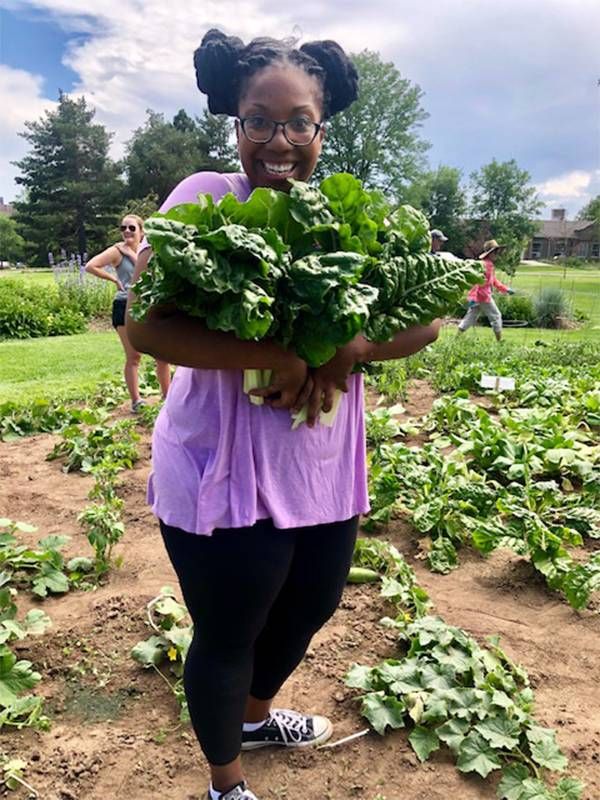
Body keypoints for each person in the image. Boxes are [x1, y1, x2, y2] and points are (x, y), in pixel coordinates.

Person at [126, 29, 441, 800]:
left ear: (320, 130)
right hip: (223, 466)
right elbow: (146, 324)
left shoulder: (347, 212)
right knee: (230, 629)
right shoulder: (205, 198)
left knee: (309, 607)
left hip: (319, 464)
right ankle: (224, 784)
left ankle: (257, 718)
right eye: (258, 122)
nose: (278, 140)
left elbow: (427, 315)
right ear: (235, 125)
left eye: (297, 122)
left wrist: (350, 348)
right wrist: (288, 356)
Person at [85, 215, 170, 410]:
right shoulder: (116, 251)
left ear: (141, 231)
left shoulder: (150, 248)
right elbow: (91, 266)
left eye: (132, 228)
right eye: (123, 228)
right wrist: (114, 280)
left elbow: (152, 269)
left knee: (162, 355)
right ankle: (136, 401)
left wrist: (132, 255)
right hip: (124, 305)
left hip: (149, 305)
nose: (127, 232)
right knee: (134, 356)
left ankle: (167, 398)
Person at [457, 238, 514, 341]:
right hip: (483, 297)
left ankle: (456, 338)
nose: (497, 255)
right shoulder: (485, 265)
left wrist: (505, 289)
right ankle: (499, 341)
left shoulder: (488, 265)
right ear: (490, 253)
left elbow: (494, 281)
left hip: (478, 297)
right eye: (496, 252)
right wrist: (474, 297)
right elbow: (477, 282)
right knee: (496, 315)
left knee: (470, 317)